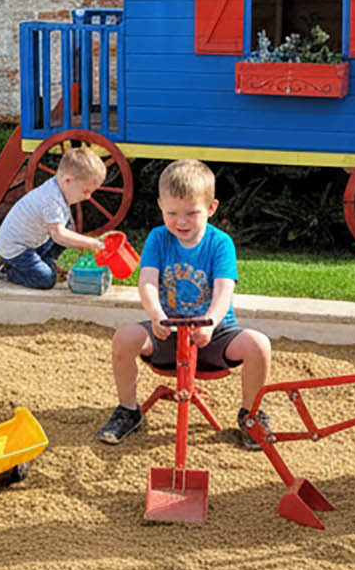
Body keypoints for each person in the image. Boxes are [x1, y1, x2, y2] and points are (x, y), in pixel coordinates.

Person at [99, 159, 274, 449]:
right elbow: (147, 282)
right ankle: (128, 410)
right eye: (172, 213)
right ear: (160, 206)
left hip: (213, 335)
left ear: (211, 208)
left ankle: (251, 416)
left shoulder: (220, 243)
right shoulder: (158, 238)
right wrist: (156, 315)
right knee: (124, 338)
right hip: (167, 331)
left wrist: (210, 322)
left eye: (192, 213)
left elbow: (224, 291)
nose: (181, 221)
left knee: (259, 345)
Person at [0, 145, 111, 290]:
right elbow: (59, 235)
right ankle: (7, 270)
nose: (88, 197)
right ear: (67, 180)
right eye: (86, 191)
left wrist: (78, 240)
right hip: (16, 248)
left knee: (67, 236)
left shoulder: (59, 188)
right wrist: (92, 243)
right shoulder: (51, 199)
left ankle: (44, 262)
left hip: (33, 240)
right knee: (46, 280)